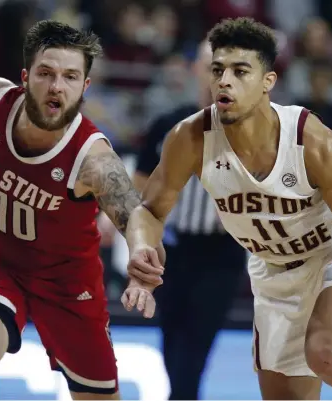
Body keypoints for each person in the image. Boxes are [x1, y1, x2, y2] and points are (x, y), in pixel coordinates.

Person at [123, 17, 332, 400]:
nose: (224, 80)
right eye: (217, 70)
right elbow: (150, 209)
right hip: (274, 273)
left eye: (240, 71)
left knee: (328, 354)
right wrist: (142, 247)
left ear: (267, 82)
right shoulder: (189, 137)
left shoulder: (312, 140)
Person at [0, 20, 162, 400]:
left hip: (67, 285)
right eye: (46, 73)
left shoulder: (93, 159)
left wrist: (140, 253)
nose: (57, 86)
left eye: (71, 76)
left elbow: (136, 215)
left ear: (85, 86)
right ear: (25, 77)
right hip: (0, 266)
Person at [99, 41, 247, 400]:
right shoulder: (168, 125)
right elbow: (137, 188)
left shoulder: (250, 130)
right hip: (172, 249)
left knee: (195, 347)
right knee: (172, 339)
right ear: (196, 70)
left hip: (222, 252)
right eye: (210, 66)